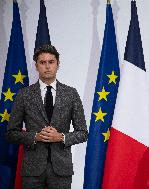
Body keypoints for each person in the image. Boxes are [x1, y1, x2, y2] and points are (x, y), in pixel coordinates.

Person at [7, 44, 88, 189]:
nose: (47, 67)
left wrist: (61, 137)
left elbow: (83, 133)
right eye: (42, 62)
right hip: (32, 169)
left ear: (58, 64)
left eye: (51, 62)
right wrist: (35, 137)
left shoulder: (71, 94)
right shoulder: (24, 94)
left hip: (61, 169)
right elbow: (11, 133)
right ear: (36, 65)